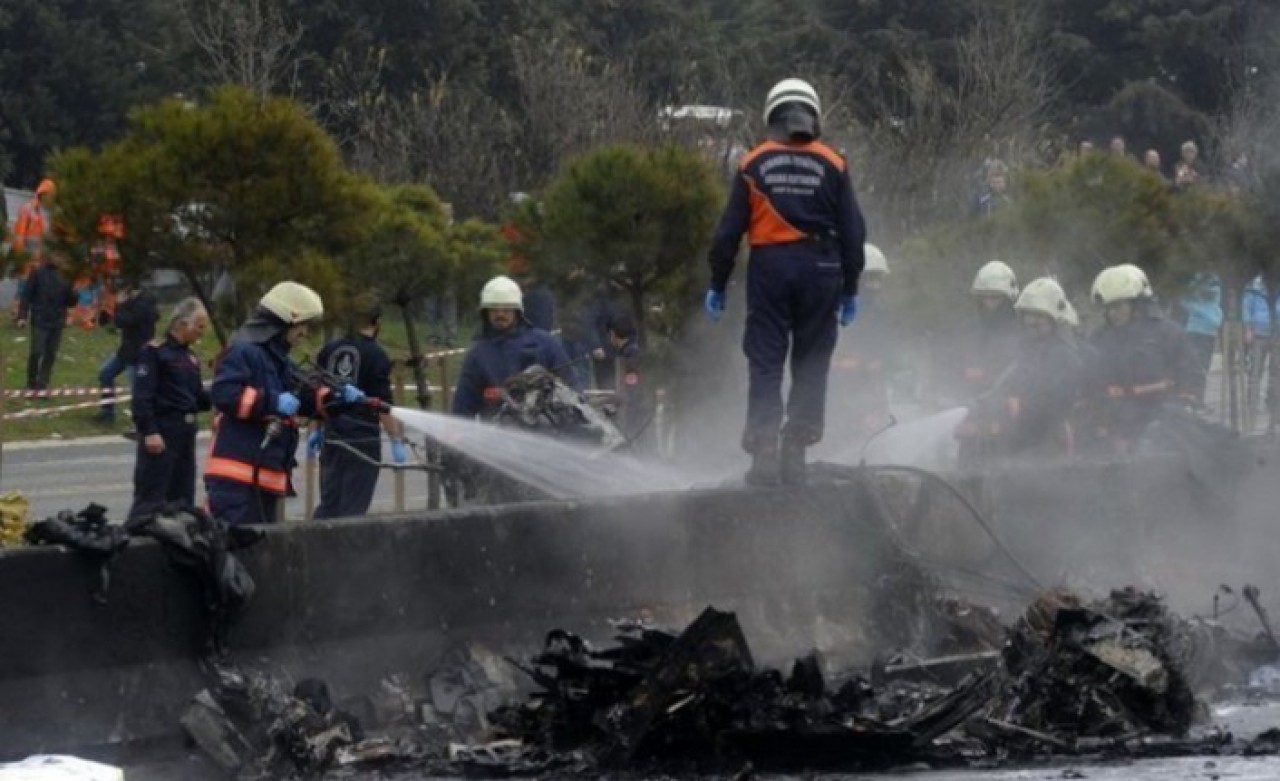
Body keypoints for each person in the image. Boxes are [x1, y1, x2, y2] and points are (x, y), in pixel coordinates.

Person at [704, 77, 867, 486]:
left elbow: (727, 235)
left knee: (766, 361)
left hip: (771, 268)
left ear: (771, 113)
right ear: (813, 113)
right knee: (811, 362)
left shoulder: (752, 163)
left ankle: (764, 453)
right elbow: (853, 231)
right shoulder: (834, 163)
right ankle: (795, 451)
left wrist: (718, 284)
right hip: (823, 270)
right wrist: (850, 289)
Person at [206, 281, 365, 526]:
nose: (305, 333)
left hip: (263, 478)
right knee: (233, 554)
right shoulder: (243, 352)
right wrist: (272, 401)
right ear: (285, 321)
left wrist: (337, 399)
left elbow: (304, 398)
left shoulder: (278, 361)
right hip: (237, 480)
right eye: (303, 325)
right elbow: (225, 394)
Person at [956, 278, 1082, 463]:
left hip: (1049, 446)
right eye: (1027, 316)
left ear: (1054, 319)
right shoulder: (1028, 355)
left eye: (1038, 316)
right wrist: (978, 405)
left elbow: (1052, 405)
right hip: (1021, 444)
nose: (1031, 321)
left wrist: (1012, 406)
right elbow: (1005, 386)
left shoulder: (1064, 357)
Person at [309, 293, 409, 519]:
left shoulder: (329, 350)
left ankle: (316, 547)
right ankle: (343, 554)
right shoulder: (376, 355)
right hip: (362, 442)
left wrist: (315, 429)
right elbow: (381, 404)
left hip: (332, 438)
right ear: (377, 322)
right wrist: (396, 440)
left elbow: (316, 393)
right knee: (352, 511)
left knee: (329, 504)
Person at [1085, 264, 1192, 453]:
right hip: (1111, 426)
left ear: (1139, 304)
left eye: (1118, 306)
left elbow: (1189, 378)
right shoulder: (1098, 338)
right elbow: (1089, 382)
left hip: (1158, 425)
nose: (1112, 313)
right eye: (1108, 308)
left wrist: (1184, 404)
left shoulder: (1169, 334)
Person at [128, 298, 212, 517]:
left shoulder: (190, 357)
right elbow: (142, 396)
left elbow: (196, 397)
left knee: (182, 497)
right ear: (182, 324)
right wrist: (150, 431)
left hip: (186, 432)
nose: (201, 333)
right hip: (163, 431)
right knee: (153, 496)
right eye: (199, 327)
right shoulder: (155, 352)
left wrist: (219, 393)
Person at [452, 275, 579, 419]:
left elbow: (572, 388)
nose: (500, 314)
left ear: (517, 311)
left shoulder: (545, 344)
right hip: (496, 435)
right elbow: (463, 404)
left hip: (545, 432)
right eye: (494, 309)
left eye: (506, 309)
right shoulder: (478, 354)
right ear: (485, 312)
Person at [829, 243, 894, 439]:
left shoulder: (881, 312)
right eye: (870, 279)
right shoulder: (838, 308)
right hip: (841, 386)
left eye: (878, 279)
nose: (875, 286)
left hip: (871, 385)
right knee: (840, 427)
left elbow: (887, 343)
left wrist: (878, 362)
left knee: (874, 428)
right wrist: (846, 363)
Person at [952, 260, 1021, 401]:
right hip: (968, 405)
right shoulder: (968, 330)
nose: (988, 302)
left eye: (995, 297)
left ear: (1009, 299)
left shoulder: (1023, 333)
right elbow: (953, 368)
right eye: (984, 297)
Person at [97, 280, 159, 424]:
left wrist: (119, 305)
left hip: (137, 354)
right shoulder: (136, 303)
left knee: (136, 390)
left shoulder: (142, 306)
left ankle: (141, 422)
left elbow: (122, 321)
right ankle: (107, 412)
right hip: (126, 351)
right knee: (105, 374)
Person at [16, 252, 76, 391]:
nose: (59, 259)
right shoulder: (37, 273)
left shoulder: (66, 277)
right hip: (40, 319)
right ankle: (31, 382)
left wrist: (74, 294)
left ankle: (43, 383)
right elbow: (26, 295)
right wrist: (22, 316)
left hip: (57, 320)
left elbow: (70, 302)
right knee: (36, 351)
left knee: (51, 353)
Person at [9, 179, 55, 321]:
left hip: (42, 258)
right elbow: (19, 235)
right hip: (27, 257)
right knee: (24, 287)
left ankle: (28, 314)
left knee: (38, 288)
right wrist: (20, 256)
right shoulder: (28, 209)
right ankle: (18, 314)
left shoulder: (50, 212)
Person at [1176, 271, 1222, 404]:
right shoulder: (1194, 280)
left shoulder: (1214, 278)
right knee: (1193, 365)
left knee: (1203, 368)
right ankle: (1192, 399)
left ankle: (1198, 399)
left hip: (1209, 331)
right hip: (1195, 329)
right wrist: (1196, 309)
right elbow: (1183, 300)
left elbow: (1213, 294)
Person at [1242, 275, 1273, 420]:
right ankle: (1251, 401)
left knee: (1276, 371)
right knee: (1255, 369)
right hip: (1258, 332)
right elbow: (1247, 306)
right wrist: (1248, 329)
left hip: (1276, 332)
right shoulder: (1256, 284)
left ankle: (1272, 402)